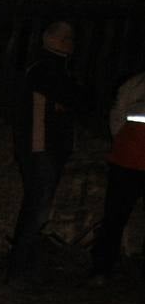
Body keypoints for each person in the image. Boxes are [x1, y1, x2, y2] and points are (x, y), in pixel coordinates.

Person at [8, 20, 94, 280]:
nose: (72, 43)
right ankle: (18, 268)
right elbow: (75, 97)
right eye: (67, 38)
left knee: (38, 206)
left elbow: (83, 101)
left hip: (52, 147)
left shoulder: (62, 71)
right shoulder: (43, 69)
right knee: (37, 207)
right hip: (39, 147)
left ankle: (26, 264)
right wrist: (70, 99)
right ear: (52, 40)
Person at [89, 68, 145, 283]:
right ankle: (101, 269)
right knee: (114, 218)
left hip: (126, 160)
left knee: (114, 217)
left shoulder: (134, 84)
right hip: (127, 161)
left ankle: (102, 270)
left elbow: (117, 118)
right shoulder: (135, 84)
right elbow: (117, 118)